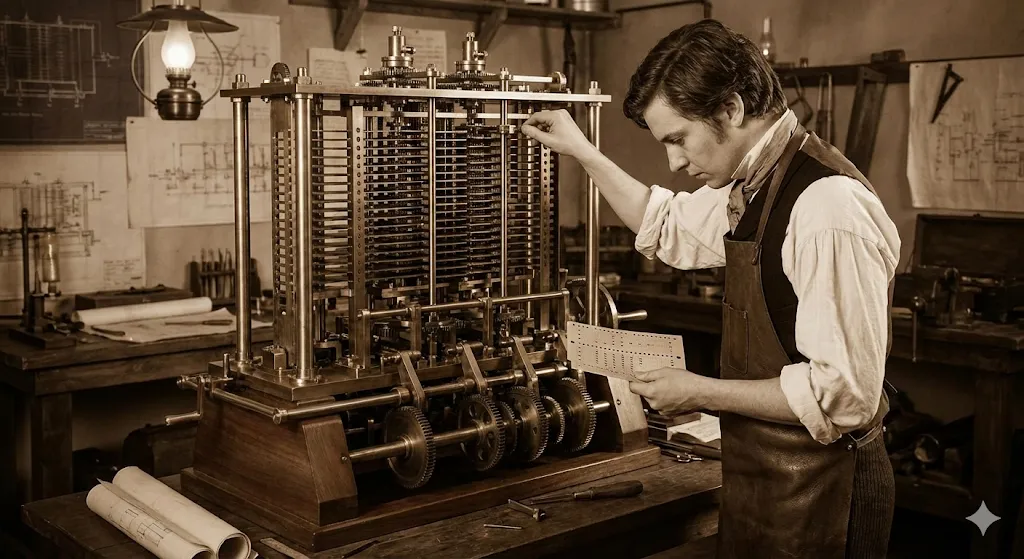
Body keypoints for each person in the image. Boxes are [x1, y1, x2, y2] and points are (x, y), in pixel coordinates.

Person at [521, 19, 900, 559]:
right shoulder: (755, 184)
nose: (674, 162)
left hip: (827, 489)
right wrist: (584, 153)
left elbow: (842, 397)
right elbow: (668, 225)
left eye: (678, 139)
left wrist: (696, 390)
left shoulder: (826, 207)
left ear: (731, 110)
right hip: (767, 477)